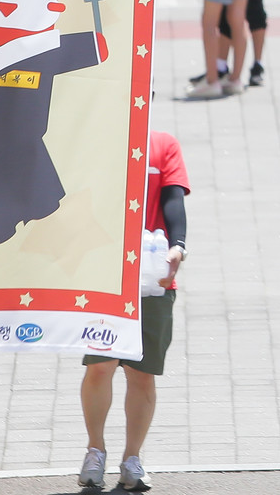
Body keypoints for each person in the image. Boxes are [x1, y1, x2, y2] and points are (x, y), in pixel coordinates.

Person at [79, 129, 187, 493]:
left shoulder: (164, 144)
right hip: (104, 275)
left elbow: (173, 200)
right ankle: (95, 452)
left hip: (152, 275)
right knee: (100, 366)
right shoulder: (97, 134)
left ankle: (132, 459)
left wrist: (178, 246)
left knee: (142, 373)